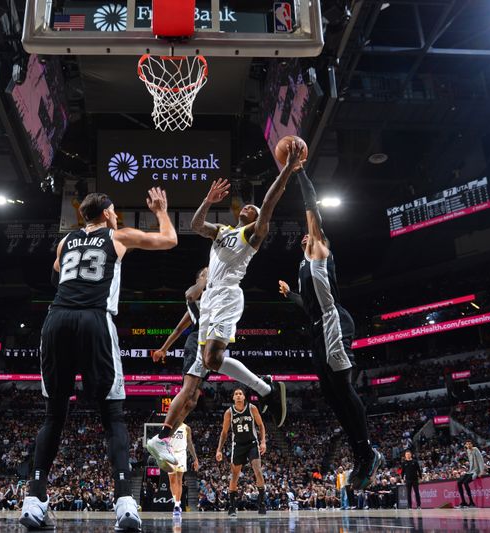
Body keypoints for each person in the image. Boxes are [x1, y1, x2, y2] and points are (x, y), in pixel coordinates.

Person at [19, 188, 178, 531]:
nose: (117, 215)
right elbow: (170, 240)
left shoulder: (65, 242)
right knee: (112, 414)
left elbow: (55, 275)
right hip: (94, 319)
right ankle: (124, 503)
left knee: (54, 414)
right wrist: (161, 210)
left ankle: (34, 499)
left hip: (57, 319)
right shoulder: (117, 235)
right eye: (115, 210)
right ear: (106, 214)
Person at [147, 142, 305, 470]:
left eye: (255, 208)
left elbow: (270, 200)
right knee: (193, 385)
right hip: (209, 302)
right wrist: (207, 200)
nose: (250, 207)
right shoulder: (223, 231)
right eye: (246, 206)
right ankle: (163, 437)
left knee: (213, 358)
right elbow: (195, 226)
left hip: (228, 297)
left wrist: (287, 169)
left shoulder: (254, 235)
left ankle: (268, 389)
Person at [277, 164, 383, 490]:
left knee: (343, 386)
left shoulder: (319, 252)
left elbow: (311, 206)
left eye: (312, 231)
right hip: (317, 327)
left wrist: (299, 173)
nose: (307, 234)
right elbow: (308, 306)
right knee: (331, 395)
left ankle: (366, 452)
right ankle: (360, 453)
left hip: (334, 321)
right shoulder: (303, 267)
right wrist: (291, 295)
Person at [151, 267, 208, 421]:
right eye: (206, 272)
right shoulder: (196, 296)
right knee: (188, 392)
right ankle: (164, 435)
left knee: (192, 402)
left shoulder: (214, 295)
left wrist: (163, 350)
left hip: (210, 348)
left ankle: (170, 436)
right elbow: (178, 329)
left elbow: (177, 330)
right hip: (197, 343)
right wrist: (163, 349)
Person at [215, 388, 268, 516]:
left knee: (258, 471)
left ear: (244, 397)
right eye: (236, 394)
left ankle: (261, 504)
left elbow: (260, 425)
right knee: (235, 476)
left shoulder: (252, 408)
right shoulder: (229, 412)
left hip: (252, 444)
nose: (238, 396)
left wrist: (263, 441)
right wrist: (219, 450)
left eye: (240, 394)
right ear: (233, 398)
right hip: (237, 445)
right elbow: (224, 432)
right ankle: (232, 506)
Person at [168, 422, 199, 518]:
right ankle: (176, 502)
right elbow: (162, 441)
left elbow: (190, 443)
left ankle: (177, 505)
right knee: (172, 480)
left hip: (181, 454)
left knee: (179, 480)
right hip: (170, 453)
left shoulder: (186, 428)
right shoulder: (169, 425)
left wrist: (195, 458)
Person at [456, 439, 485, 508]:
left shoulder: (476, 449)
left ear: (472, 444)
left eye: (470, 444)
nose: (468, 445)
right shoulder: (468, 451)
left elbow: (481, 460)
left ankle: (472, 502)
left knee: (465, 483)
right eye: (467, 444)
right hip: (470, 471)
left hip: (475, 471)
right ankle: (463, 502)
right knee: (459, 482)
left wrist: (481, 471)